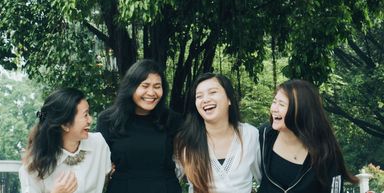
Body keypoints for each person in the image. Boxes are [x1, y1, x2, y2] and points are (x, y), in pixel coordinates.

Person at [97, 59, 182, 193]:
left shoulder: (173, 120)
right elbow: (98, 162)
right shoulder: (107, 120)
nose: (151, 92)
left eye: (157, 86)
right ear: (131, 87)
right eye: (145, 85)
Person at [258, 79, 359, 193]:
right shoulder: (264, 135)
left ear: (301, 111)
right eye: (274, 101)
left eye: (281, 104)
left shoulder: (326, 153)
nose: (274, 109)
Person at [175, 72, 261, 193]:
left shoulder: (250, 134)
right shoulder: (186, 140)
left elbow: (265, 180)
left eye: (213, 92)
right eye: (199, 96)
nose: (205, 99)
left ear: (229, 99)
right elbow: (167, 179)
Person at [19, 87, 112, 193]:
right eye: (85, 115)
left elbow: (114, 174)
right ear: (65, 124)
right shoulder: (34, 165)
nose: (90, 120)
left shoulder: (98, 144)